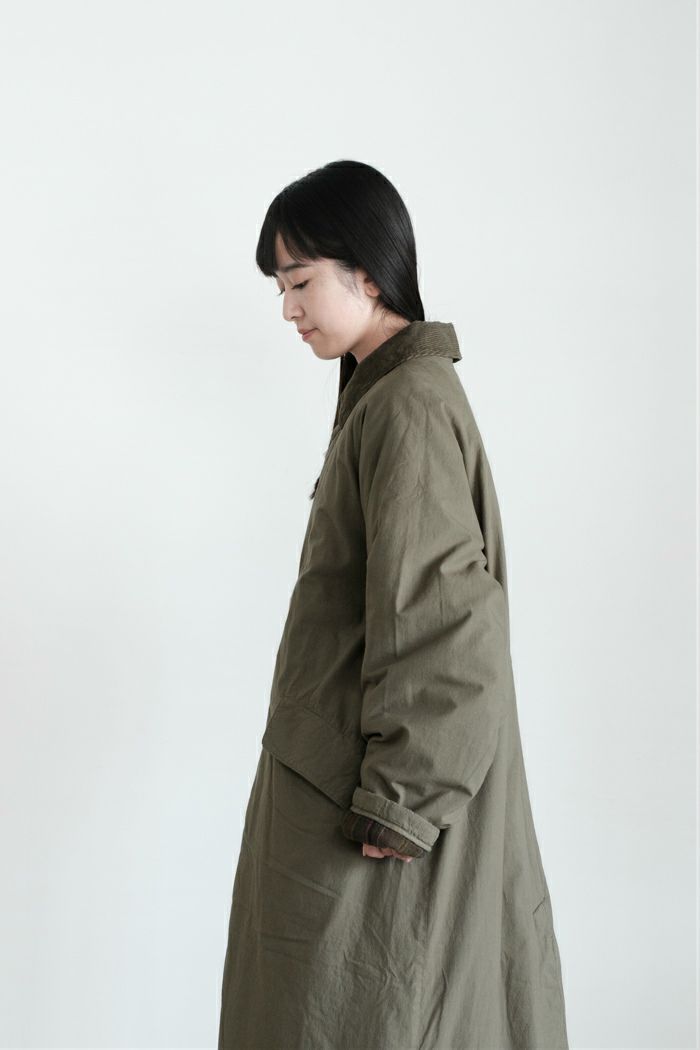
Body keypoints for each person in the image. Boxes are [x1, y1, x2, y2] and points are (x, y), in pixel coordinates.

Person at [217, 159, 569, 1049]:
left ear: (368, 274)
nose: (288, 309)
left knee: (370, 1013)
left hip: (372, 817)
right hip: (345, 787)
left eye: (300, 282)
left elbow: (446, 622)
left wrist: (402, 801)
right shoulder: (385, 396)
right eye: (280, 288)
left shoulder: (406, 405)